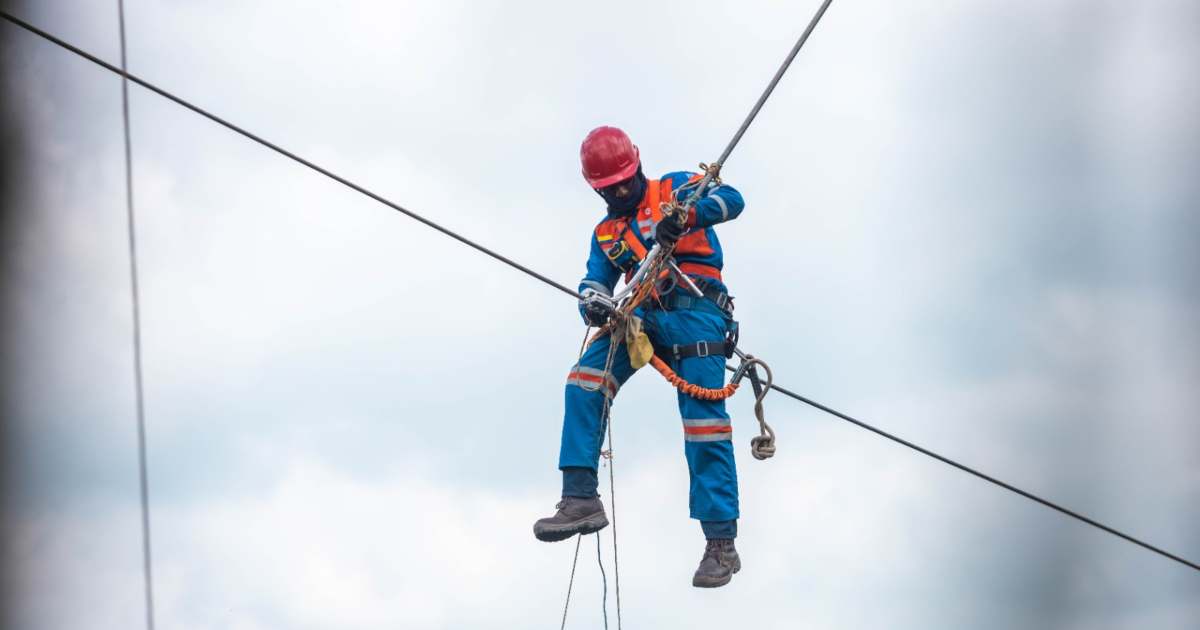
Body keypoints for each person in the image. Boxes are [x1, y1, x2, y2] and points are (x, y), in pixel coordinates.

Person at [532, 126, 747, 588]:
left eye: (627, 182)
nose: (623, 191)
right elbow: (594, 280)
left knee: (704, 423)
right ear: (597, 189)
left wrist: (689, 216)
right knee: (583, 381)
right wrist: (590, 302)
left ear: (638, 165)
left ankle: (721, 543)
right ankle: (580, 498)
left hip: (697, 310)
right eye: (611, 189)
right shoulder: (608, 233)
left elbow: (733, 199)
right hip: (640, 316)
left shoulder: (674, 188)